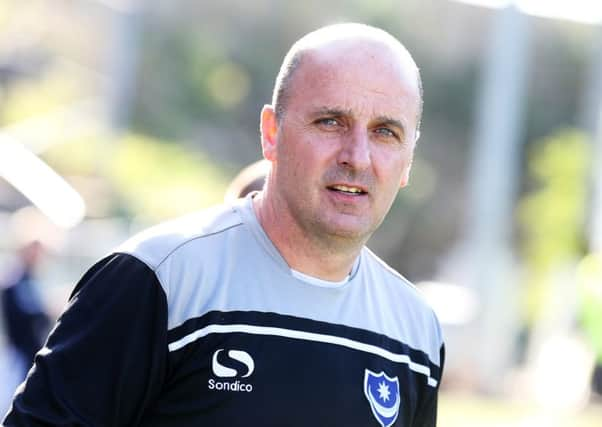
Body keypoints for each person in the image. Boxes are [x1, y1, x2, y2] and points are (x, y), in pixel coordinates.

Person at [4, 23, 444, 426]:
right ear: (272, 133)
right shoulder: (158, 281)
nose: (357, 156)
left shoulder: (415, 330)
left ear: (409, 159)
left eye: (386, 132)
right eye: (331, 122)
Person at [1, 239, 51, 383]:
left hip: (27, 349)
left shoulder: (29, 278)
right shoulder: (17, 279)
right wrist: (46, 311)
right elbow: (27, 313)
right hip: (20, 350)